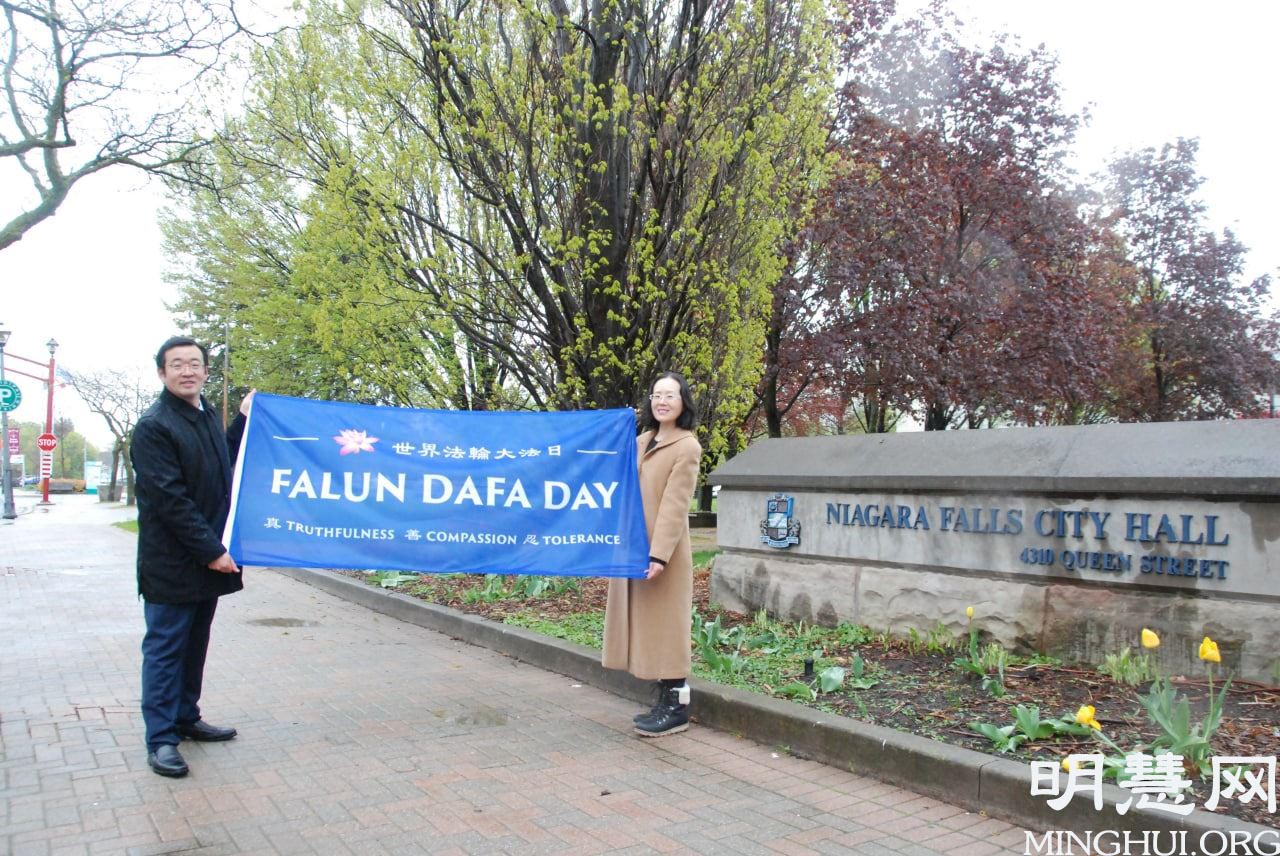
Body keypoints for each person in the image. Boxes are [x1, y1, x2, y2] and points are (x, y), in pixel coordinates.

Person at [131, 336, 252, 777]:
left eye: (195, 364)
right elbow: (170, 499)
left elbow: (224, 462)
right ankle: (161, 739)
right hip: (172, 563)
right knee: (166, 649)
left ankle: (186, 717)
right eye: (177, 364)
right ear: (162, 373)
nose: (188, 371)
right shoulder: (155, 426)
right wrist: (212, 551)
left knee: (194, 645)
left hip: (205, 560)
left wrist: (243, 420)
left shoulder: (202, 415)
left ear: (205, 371)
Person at [602, 371, 702, 737]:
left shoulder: (687, 446)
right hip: (632, 546)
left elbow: (675, 505)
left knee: (666, 626)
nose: (662, 401)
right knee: (647, 625)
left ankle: (676, 707)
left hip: (663, 553)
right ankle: (664, 699)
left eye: (670, 395)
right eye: (657, 395)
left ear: (683, 402)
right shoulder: (641, 440)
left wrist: (658, 555)